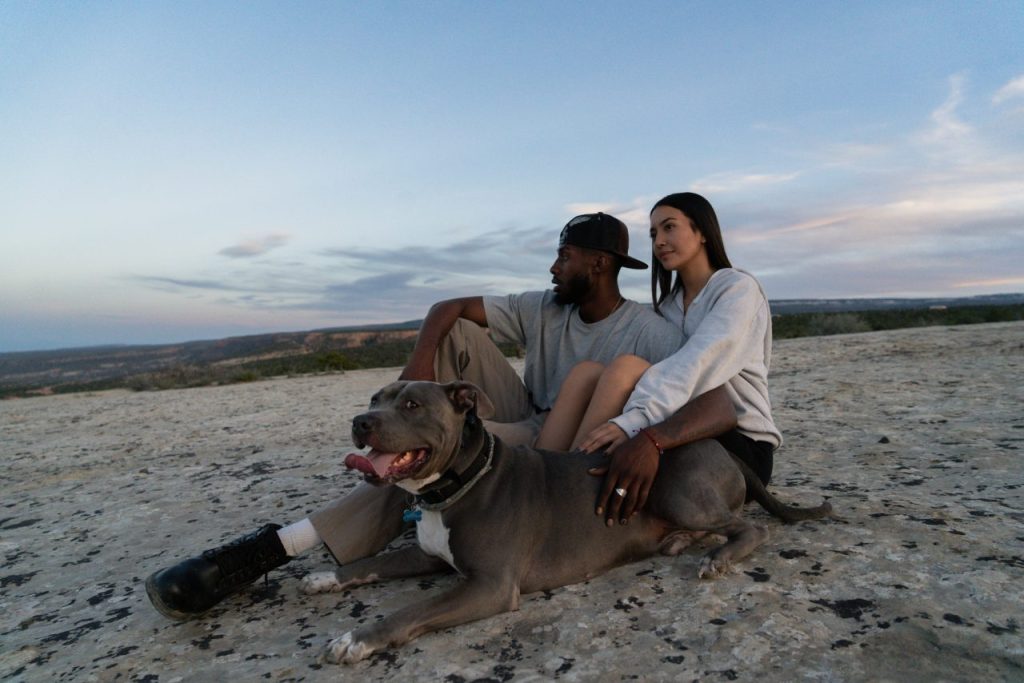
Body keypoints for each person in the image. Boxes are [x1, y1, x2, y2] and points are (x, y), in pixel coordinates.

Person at [145, 211, 738, 620]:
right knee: (452, 341)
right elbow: (446, 304)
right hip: (524, 421)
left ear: (601, 263)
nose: (553, 268)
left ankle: (279, 547)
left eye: (564, 256)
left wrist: (656, 442)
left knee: (430, 468)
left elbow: (716, 399)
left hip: (559, 465)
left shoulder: (648, 330)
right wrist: (417, 380)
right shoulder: (543, 307)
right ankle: (394, 490)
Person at [539, 192, 781, 528]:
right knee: (588, 373)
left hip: (736, 439)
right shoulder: (668, 307)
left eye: (669, 228)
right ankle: (539, 479)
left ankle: (568, 499)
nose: (660, 242)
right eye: (653, 234)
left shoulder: (737, 289)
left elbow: (698, 363)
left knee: (625, 367)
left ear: (703, 232)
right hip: (683, 422)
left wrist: (634, 422)